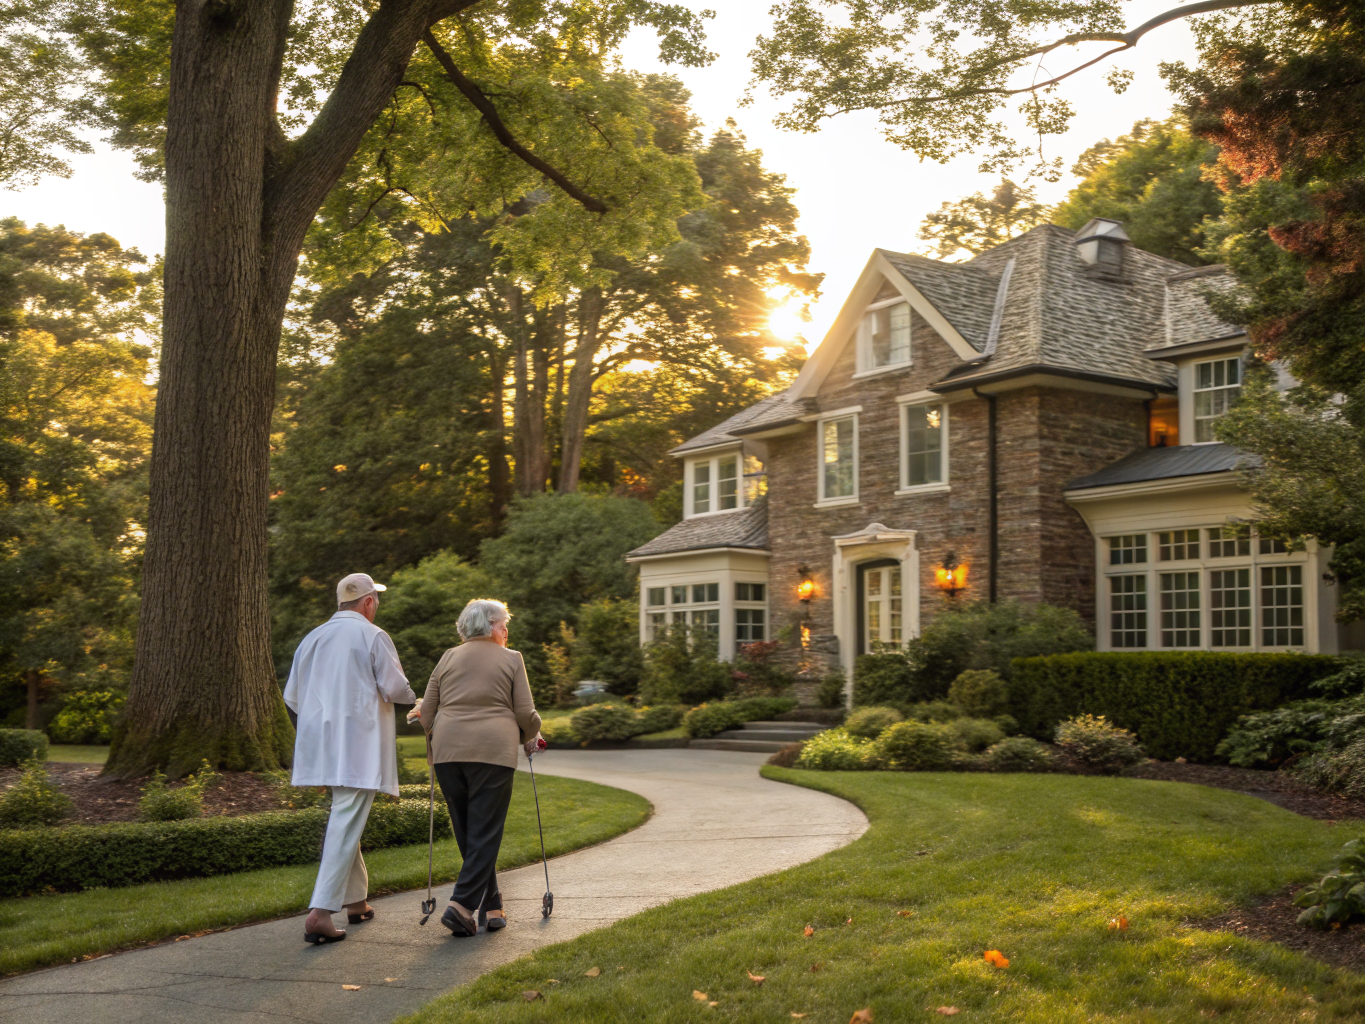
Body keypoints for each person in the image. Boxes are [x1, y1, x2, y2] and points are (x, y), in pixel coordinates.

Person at [285, 572, 417, 944]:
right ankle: (320, 913)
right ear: (368, 601)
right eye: (377, 600)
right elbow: (395, 687)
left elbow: (292, 696)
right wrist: (418, 699)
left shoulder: (312, 637)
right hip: (359, 745)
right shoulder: (372, 635)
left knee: (346, 816)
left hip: (321, 745)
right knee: (346, 820)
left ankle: (357, 902)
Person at [411, 598, 542, 937]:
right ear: (488, 626)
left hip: (447, 753)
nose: (506, 631)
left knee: (471, 832)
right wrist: (531, 733)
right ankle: (460, 906)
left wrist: (438, 730)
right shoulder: (512, 658)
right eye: (502, 625)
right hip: (492, 751)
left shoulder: (448, 657)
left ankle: (492, 905)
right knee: (485, 832)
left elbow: (427, 713)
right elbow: (525, 712)